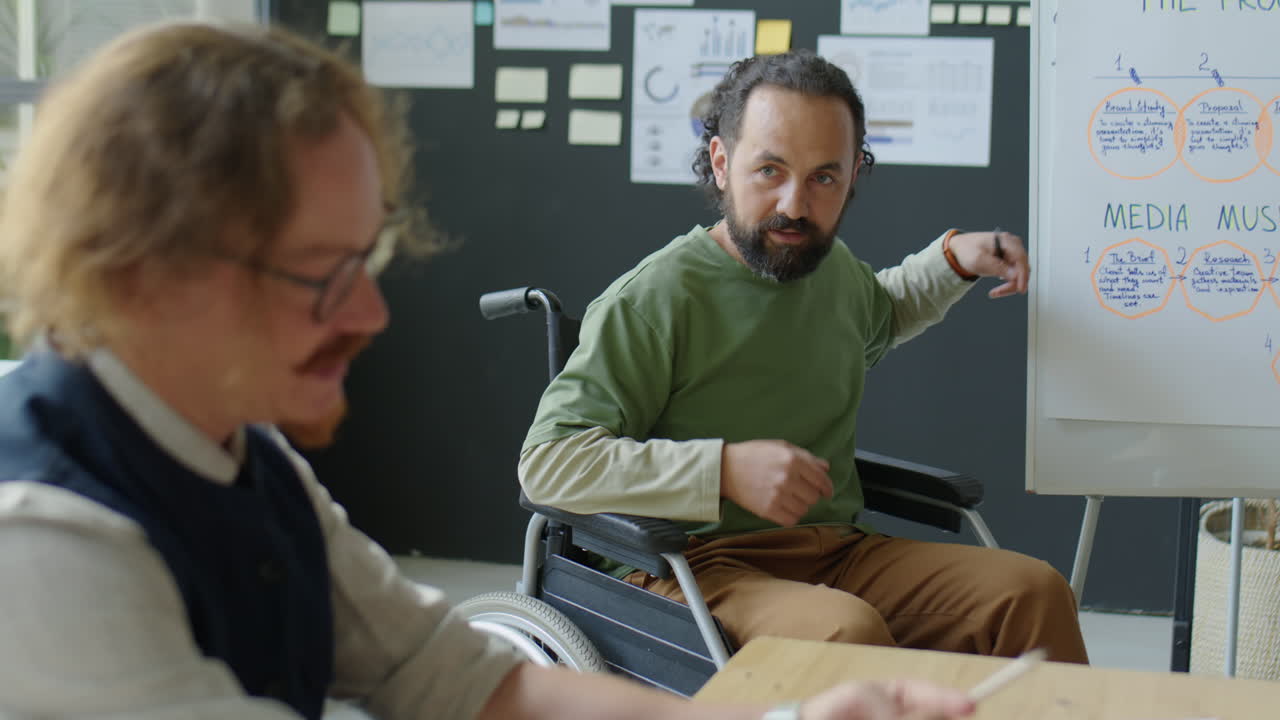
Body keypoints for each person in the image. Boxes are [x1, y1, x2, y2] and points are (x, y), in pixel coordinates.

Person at [0, 22, 977, 720]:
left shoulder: (244, 465)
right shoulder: (44, 547)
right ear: (148, 274)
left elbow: (464, 681)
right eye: (323, 274)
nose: (373, 314)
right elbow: (549, 466)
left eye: (369, 260)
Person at [519, 51, 1090, 665]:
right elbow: (549, 463)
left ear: (851, 178)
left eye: (824, 177)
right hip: (688, 564)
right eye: (770, 170)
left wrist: (953, 261)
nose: (795, 204)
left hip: (836, 551)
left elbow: (882, 315)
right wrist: (723, 471)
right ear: (720, 163)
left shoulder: (831, 271)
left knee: (1032, 593)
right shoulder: (655, 299)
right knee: (845, 633)